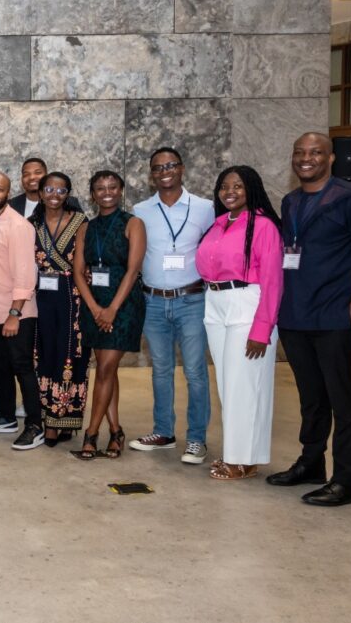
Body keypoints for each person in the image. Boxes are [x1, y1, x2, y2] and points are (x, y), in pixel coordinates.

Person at [267, 132, 351, 506]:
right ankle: (311, 463)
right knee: (311, 398)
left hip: (335, 317)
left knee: (344, 400)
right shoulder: (290, 201)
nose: (306, 158)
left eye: (316, 152)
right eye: (300, 152)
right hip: (296, 316)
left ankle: (348, 480)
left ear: (331, 158)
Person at [196, 166, 283, 481]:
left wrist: (262, 329)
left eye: (238, 186)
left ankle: (240, 460)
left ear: (252, 189)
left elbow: (273, 282)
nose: (229, 191)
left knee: (244, 386)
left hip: (247, 304)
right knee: (229, 385)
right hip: (216, 303)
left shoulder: (263, 226)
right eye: (224, 186)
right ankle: (241, 456)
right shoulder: (219, 224)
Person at [129, 147, 215, 464]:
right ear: (152, 174)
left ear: (182, 169)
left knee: (195, 372)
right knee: (161, 371)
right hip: (152, 301)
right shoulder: (140, 209)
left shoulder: (205, 208)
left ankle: (196, 439)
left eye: (170, 165)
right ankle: (163, 432)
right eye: (157, 167)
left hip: (192, 300)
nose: (164, 171)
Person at [72, 171, 146, 459]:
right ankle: (116, 431)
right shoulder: (85, 228)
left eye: (112, 187)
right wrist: (94, 308)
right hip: (94, 304)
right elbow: (79, 272)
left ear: (121, 190)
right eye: (100, 188)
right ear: (92, 194)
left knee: (104, 370)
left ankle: (91, 435)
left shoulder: (133, 224)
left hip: (124, 305)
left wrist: (113, 309)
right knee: (106, 370)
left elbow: (133, 270)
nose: (106, 192)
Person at [0, 173, 43, 450]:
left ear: (7, 192)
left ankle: (35, 425)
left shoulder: (18, 226)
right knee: (0, 367)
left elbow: (26, 274)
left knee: (22, 368)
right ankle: (5, 417)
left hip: (16, 313)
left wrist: (15, 313)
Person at [31, 172, 90, 447]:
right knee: (43, 354)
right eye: (49, 189)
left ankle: (63, 420)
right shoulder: (32, 223)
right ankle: (49, 419)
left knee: (69, 356)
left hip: (70, 297)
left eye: (61, 190)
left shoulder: (80, 222)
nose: (55, 195)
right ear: (40, 192)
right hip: (41, 296)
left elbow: (81, 265)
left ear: (68, 194)